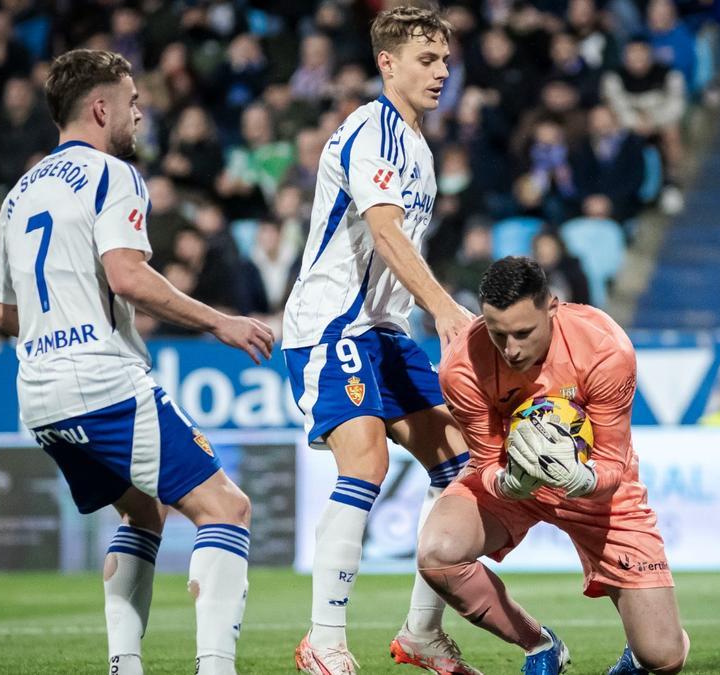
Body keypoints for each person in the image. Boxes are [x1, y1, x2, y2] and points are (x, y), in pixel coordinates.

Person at [0, 49, 274, 675]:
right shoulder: (111, 174)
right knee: (227, 508)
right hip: (100, 376)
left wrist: (60, 308)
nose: (140, 112)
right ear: (99, 107)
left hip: (37, 392)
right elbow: (128, 276)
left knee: (142, 510)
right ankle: (216, 668)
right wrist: (221, 320)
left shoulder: (17, 195)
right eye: (132, 100)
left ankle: (124, 665)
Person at [281, 7, 479, 675]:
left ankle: (421, 632)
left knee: (460, 464)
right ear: (386, 63)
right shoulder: (373, 131)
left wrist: (425, 313)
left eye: (446, 60)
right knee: (365, 462)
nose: (442, 71)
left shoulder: (419, 148)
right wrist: (446, 308)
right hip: (332, 323)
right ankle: (323, 639)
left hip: (385, 329)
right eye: (427, 59)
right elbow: (387, 232)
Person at [419, 257, 689, 675]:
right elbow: (486, 460)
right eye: (497, 334)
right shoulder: (462, 366)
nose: (510, 349)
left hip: (597, 490)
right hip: (514, 482)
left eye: (523, 333)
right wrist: (507, 483)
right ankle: (540, 645)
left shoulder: (605, 348)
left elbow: (613, 462)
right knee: (438, 554)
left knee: (664, 657)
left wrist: (584, 479)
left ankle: (640, 654)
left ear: (552, 307)